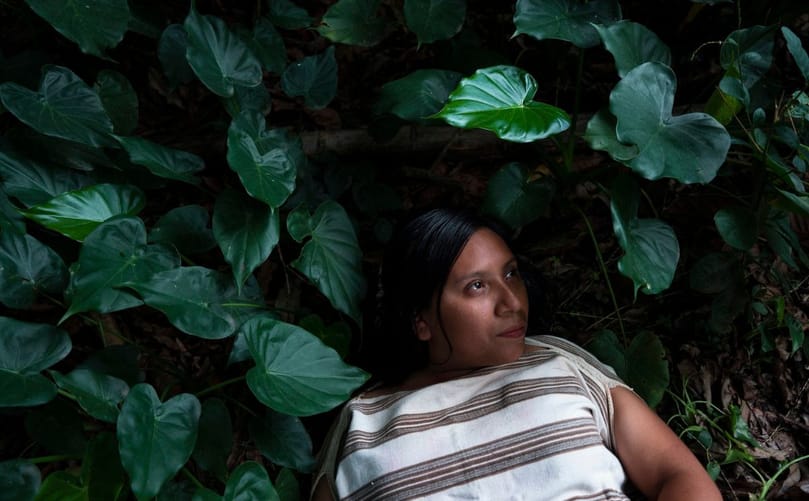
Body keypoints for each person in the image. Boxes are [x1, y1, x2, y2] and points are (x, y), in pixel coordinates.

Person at [311, 208, 721, 500]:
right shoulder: (362, 422)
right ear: (421, 321)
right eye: (477, 286)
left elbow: (680, 476)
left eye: (510, 274)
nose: (513, 303)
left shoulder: (559, 361)